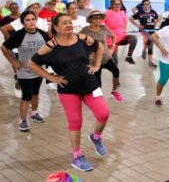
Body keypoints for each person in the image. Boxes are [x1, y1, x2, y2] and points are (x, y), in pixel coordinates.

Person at [29, 13, 110, 172]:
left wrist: (97, 65)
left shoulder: (82, 38)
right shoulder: (50, 46)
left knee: (104, 114)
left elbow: (99, 47)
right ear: (56, 27)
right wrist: (51, 77)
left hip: (90, 85)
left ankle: (96, 137)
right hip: (68, 90)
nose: (68, 25)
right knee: (75, 122)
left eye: (70, 22)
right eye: (64, 23)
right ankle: (77, 156)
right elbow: (32, 64)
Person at [1, 11, 49, 131]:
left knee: (36, 93)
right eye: (28, 20)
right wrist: (13, 62)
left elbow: (49, 47)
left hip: (38, 70)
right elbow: (4, 47)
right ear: (23, 23)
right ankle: (23, 120)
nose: (31, 22)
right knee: (27, 95)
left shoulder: (42, 34)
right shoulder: (19, 35)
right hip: (24, 71)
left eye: (33, 19)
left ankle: (34, 114)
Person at [1, 0, 49, 97]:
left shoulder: (42, 21)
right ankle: (19, 84)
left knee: (35, 77)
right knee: (23, 72)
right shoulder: (21, 20)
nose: (35, 9)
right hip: (23, 50)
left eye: (37, 7)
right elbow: (4, 28)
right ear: (28, 8)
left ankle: (31, 98)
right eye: (33, 7)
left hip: (37, 51)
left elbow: (46, 36)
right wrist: (10, 40)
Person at [81, 10, 123, 103]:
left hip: (106, 58)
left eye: (100, 18)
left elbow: (113, 36)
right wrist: (87, 53)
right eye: (96, 18)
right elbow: (80, 42)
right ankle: (98, 100)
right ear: (91, 19)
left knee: (116, 71)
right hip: (94, 61)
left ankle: (114, 91)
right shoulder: (85, 30)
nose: (98, 20)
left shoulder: (104, 28)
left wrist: (112, 46)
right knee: (98, 81)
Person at [104, 0, 138, 65]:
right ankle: (116, 73)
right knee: (115, 60)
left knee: (134, 38)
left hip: (121, 37)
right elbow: (102, 24)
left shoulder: (122, 13)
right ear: (112, 5)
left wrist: (124, 31)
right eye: (116, 4)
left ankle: (128, 56)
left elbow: (125, 22)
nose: (118, 6)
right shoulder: (106, 13)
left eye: (119, 4)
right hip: (111, 39)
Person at [129, 0, 159, 67]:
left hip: (152, 30)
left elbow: (157, 18)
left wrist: (156, 23)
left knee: (151, 44)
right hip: (143, 30)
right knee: (150, 40)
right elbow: (131, 18)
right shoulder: (140, 12)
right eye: (145, 4)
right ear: (142, 5)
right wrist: (138, 25)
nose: (147, 5)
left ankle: (148, 57)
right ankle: (148, 58)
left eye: (148, 4)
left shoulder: (153, 11)